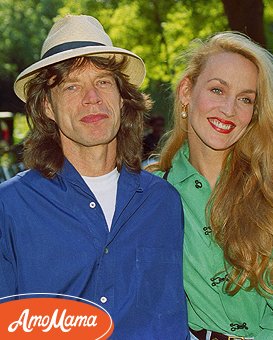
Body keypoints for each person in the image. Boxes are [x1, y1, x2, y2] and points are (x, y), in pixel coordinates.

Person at [0, 14, 187, 338]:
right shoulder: (10, 208)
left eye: (103, 81)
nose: (92, 97)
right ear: (47, 106)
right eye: (72, 85)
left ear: (120, 97)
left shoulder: (164, 202)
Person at [149, 32, 273, 339]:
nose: (229, 110)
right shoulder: (151, 195)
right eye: (217, 90)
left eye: (245, 99)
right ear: (187, 91)